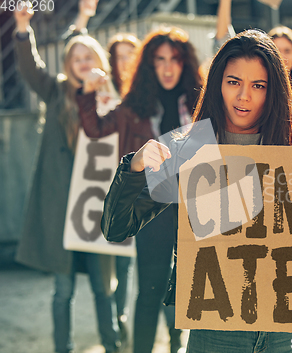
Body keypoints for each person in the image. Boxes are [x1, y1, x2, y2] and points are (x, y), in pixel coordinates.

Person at [97, 29, 292, 353]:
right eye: (233, 82)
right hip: (215, 332)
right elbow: (116, 228)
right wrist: (134, 166)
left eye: (258, 85)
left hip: (286, 334)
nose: (244, 96)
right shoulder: (189, 152)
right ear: (217, 84)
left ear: (274, 92)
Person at [77, 26, 203, 353]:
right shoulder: (133, 107)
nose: (167, 67)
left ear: (184, 63)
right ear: (149, 64)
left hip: (198, 204)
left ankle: (177, 345)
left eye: (174, 59)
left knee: (193, 289)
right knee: (150, 290)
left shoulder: (202, 102)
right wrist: (88, 93)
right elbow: (94, 128)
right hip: (154, 206)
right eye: (159, 59)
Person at [13, 3, 120, 353]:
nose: (84, 64)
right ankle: (64, 348)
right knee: (63, 291)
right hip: (62, 209)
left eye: (89, 58)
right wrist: (22, 28)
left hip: (95, 208)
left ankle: (112, 344)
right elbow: (30, 69)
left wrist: (103, 94)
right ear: (69, 67)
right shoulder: (56, 91)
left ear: (99, 62)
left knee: (104, 288)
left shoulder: (109, 98)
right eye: (77, 60)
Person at [106, 31, 142, 347]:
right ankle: (116, 324)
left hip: (139, 188)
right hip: (104, 188)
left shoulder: (144, 95)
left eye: (131, 53)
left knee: (130, 264)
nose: (125, 60)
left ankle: (125, 320)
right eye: (119, 55)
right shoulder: (104, 94)